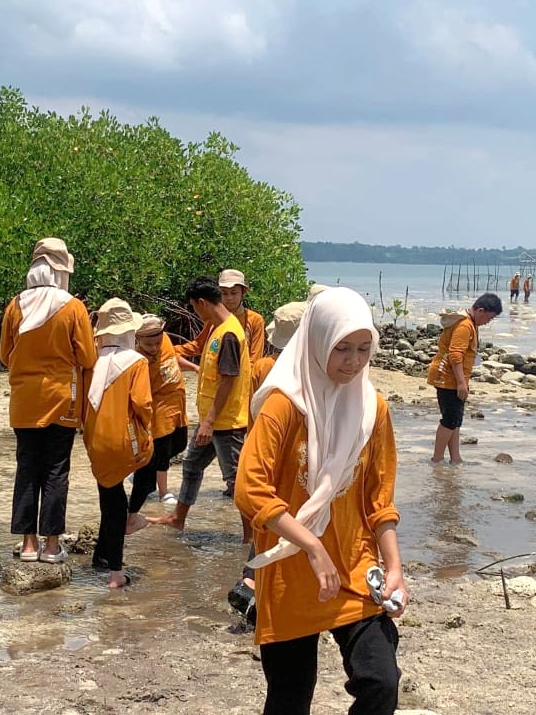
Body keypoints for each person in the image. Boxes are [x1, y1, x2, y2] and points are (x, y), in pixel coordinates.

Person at [235, 287, 405, 715]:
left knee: (380, 681)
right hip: (291, 570)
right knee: (291, 697)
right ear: (316, 343)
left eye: (364, 349)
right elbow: (250, 489)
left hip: (354, 565)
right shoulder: (284, 406)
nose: (353, 361)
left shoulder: (372, 408)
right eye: (342, 348)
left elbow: (378, 500)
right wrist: (311, 546)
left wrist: (396, 568)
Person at [0, 238, 98, 564]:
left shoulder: (15, 306)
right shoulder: (73, 307)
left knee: (27, 469)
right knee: (56, 470)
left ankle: (28, 545)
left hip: (23, 401)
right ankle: (52, 545)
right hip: (61, 399)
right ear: (61, 271)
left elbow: (3, 354)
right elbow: (86, 356)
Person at [149, 276, 252, 530]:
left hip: (226, 423)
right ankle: (178, 518)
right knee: (192, 465)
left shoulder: (228, 334)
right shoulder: (217, 328)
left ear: (202, 303)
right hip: (214, 420)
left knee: (236, 481)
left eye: (194, 307)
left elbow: (228, 380)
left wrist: (208, 421)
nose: (195, 311)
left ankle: (252, 536)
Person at [229, 299, 308, 621]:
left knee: (270, 520)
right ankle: (257, 588)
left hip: (260, 448)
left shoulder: (263, 366)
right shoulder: (303, 374)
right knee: (292, 522)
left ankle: (250, 581)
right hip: (291, 458)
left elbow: (250, 408)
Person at [83, 299, 154, 588]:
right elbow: (143, 403)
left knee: (109, 501)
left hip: (94, 440)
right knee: (150, 465)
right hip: (123, 440)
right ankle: (116, 571)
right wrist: (146, 428)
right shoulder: (137, 362)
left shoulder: (92, 362)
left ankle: (103, 556)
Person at [427, 293, 502, 465]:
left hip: (452, 377)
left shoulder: (471, 323)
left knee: (456, 420)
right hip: (447, 377)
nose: (488, 322)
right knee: (449, 419)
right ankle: (437, 458)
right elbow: (455, 355)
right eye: (489, 319)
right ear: (480, 310)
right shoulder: (464, 326)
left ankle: (455, 457)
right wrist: (461, 383)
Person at [127, 314, 188, 526]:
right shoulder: (137, 360)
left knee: (181, 444)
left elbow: (173, 359)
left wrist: (197, 368)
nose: (154, 348)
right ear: (138, 340)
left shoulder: (167, 342)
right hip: (157, 413)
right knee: (156, 463)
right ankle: (132, 514)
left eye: (157, 343)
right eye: (148, 344)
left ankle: (142, 470)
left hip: (178, 406)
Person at [176, 269, 266, 371]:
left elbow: (255, 357)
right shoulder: (213, 317)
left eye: (233, 293)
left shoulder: (255, 319)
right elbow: (199, 344)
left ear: (243, 292)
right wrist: (172, 350)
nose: (229, 298)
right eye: (224, 293)